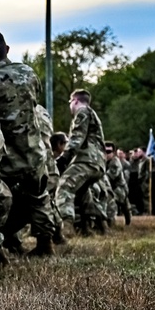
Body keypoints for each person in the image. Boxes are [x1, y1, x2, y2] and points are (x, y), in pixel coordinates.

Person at [0, 29, 55, 255]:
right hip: (32, 149)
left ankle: (0, 244)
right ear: (7, 49)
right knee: (38, 196)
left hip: (5, 154)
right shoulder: (28, 73)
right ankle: (45, 243)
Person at [54, 90, 106, 229]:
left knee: (65, 186)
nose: (70, 105)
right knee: (82, 191)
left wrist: (64, 157)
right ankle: (92, 226)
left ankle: (66, 226)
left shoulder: (82, 112)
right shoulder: (91, 113)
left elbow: (77, 137)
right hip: (98, 162)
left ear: (75, 100)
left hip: (87, 159)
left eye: (70, 102)